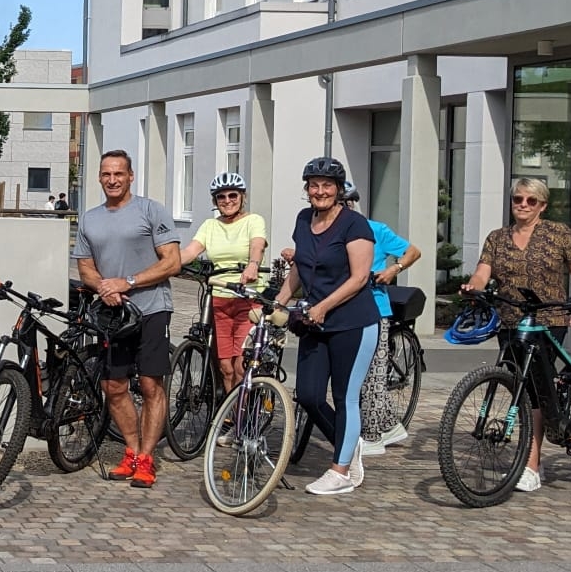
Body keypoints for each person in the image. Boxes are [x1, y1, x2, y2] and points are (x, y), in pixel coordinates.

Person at [463, 175, 571, 492]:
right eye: (518, 199)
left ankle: (532, 465)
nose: (522, 205)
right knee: (516, 382)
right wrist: (473, 286)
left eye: (530, 200)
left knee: (534, 389)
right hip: (510, 321)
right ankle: (534, 444)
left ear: (542, 205)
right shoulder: (497, 237)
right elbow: (483, 271)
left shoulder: (558, 234)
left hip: (549, 318)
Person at [72, 150, 182, 487]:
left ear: (130, 176)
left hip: (150, 308)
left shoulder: (150, 210)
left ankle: (147, 458)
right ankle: (131, 451)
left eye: (118, 174)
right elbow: (85, 266)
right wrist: (104, 287)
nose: (112, 180)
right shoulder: (90, 218)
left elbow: (172, 261)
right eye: (106, 174)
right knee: (113, 386)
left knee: (150, 384)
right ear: (99, 177)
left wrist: (129, 282)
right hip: (113, 314)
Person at [278, 157, 380, 495]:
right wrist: (280, 302)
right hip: (314, 322)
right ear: (307, 189)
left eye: (327, 185)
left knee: (344, 396)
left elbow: (360, 277)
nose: (320, 191)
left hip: (353, 322)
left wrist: (322, 306)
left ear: (338, 190)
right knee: (307, 394)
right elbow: (300, 269)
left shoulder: (355, 225)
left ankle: (341, 472)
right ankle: (348, 442)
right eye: (314, 185)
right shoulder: (304, 219)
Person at [341, 183, 422, 456]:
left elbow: (413, 251)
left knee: (372, 374)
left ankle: (373, 434)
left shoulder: (375, 229)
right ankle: (391, 426)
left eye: (345, 203)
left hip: (374, 307)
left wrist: (393, 269)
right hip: (342, 309)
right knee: (354, 374)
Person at [178, 171, 268, 394]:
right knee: (225, 367)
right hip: (219, 298)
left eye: (232, 196)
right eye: (221, 197)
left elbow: (257, 245)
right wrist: (163, 264)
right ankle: (228, 413)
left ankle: (241, 414)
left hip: (247, 298)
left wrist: (253, 265)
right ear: (215, 201)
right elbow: (190, 251)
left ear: (242, 197)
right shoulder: (210, 225)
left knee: (240, 365)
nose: (227, 201)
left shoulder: (253, 221)